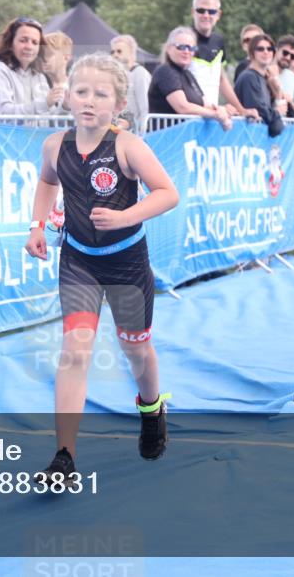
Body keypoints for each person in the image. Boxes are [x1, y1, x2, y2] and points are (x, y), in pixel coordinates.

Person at [24, 52, 180, 482]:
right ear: (68, 97)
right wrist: (38, 225)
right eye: (81, 91)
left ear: (118, 105)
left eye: (100, 94)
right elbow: (46, 181)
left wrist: (126, 216)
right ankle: (64, 458)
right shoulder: (55, 146)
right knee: (74, 351)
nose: (89, 101)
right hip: (78, 263)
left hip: (127, 264)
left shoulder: (129, 147)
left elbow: (167, 193)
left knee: (136, 351)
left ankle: (151, 409)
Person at [187, 0, 258, 119]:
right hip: (188, 117)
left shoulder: (218, 41)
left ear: (218, 15)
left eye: (212, 11)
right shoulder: (184, 40)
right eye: (201, 10)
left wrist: (241, 110)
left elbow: (221, 79)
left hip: (212, 116)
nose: (206, 15)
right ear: (193, 12)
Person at [0, 17, 65, 123]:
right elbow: (3, 115)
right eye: (23, 40)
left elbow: (50, 116)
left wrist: (65, 106)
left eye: (35, 42)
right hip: (4, 139)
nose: (29, 46)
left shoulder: (39, 76)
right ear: (10, 43)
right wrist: (44, 103)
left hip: (38, 139)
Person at [147, 26, 233, 130]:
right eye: (181, 47)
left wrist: (222, 110)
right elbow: (182, 107)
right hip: (164, 139)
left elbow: (206, 104)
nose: (187, 51)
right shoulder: (165, 71)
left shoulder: (188, 74)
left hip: (185, 139)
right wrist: (215, 115)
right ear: (169, 49)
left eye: (191, 48)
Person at [233, 34, 285, 137]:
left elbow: (278, 122)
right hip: (247, 139)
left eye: (269, 49)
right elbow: (264, 114)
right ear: (252, 53)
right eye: (260, 49)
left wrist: (278, 92)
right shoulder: (249, 77)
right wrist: (277, 113)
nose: (266, 52)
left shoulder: (266, 79)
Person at [109, 34, 151, 134]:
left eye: (119, 51)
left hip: (136, 132)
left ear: (131, 53)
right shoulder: (114, 75)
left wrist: (142, 133)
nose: (115, 55)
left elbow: (145, 107)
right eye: (112, 52)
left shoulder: (140, 73)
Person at [42, 31, 74, 111]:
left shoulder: (75, 86)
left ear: (66, 57)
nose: (44, 59)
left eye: (49, 54)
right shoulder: (35, 82)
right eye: (41, 54)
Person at [275, 35, 294, 117]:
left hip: (285, 126)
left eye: (293, 56)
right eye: (285, 53)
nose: (288, 57)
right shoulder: (264, 72)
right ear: (277, 50)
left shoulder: (293, 77)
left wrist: (291, 102)